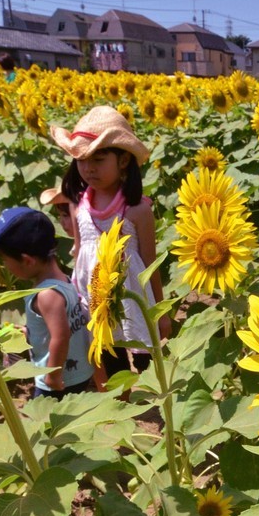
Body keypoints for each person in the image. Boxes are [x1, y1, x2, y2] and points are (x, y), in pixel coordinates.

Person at [49, 106, 170, 379]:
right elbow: (80, 255)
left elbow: (150, 264)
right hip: (97, 302)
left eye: (98, 159)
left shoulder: (137, 210)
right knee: (110, 359)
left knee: (146, 363)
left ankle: (154, 405)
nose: (88, 168)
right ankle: (122, 408)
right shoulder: (79, 207)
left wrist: (161, 313)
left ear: (124, 161)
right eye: (81, 160)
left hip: (134, 302)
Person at [0, 208, 94, 399]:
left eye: (4, 259)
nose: (4, 265)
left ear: (27, 261)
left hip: (59, 380)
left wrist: (52, 375)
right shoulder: (63, 280)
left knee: (44, 421)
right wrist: (32, 333)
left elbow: (61, 336)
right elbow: (62, 323)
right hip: (78, 372)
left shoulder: (46, 295)